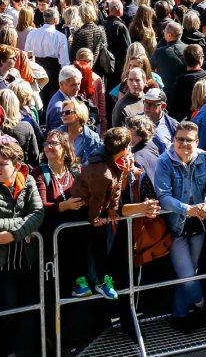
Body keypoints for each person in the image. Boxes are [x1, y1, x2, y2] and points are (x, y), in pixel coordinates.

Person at [0, 139, 44, 357]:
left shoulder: (29, 181)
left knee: (24, 311)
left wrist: (14, 234)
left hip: (25, 259)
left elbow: (39, 214)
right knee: (6, 310)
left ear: (16, 164)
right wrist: (24, 224)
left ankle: (13, 351)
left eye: (3, 163)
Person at [153, 120, 206, 331]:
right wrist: (186, 209)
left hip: (198, 225)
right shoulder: (164, 161)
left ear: (196, 141)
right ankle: (200, 306)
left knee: (189, 273)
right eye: (179, 139)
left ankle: (179, 315)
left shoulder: (204, 157)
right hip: (176, 227)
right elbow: (163, 197)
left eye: (189, 140)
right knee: (188, 275)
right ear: (174, 139)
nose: (183, 144)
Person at [67, 125, 130, 300]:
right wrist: (94, 219)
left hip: (99, 208)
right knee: (80, 247)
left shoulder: (116, 163)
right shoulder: (102, 171)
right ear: (124, 148)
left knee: (100, 245)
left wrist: (112, 209)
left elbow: (116, 187)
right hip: (82, 209)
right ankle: (79, 282)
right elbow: (96, 198)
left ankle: (102, 280)